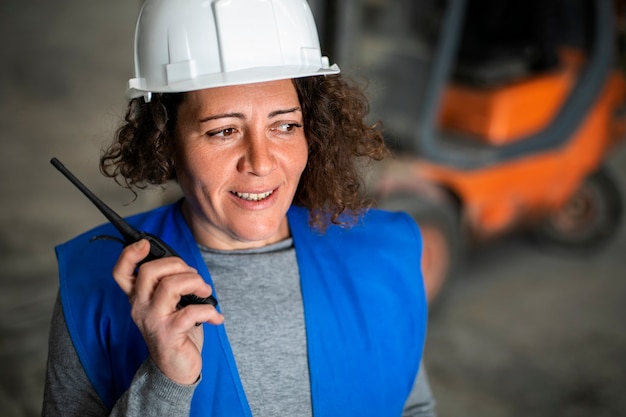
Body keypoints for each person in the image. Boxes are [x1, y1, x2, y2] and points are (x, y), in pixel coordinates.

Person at [42, 0, 436, 416]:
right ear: (164, 140)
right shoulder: (91, 281)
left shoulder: (386, 253)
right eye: (224, 130)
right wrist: (165, 384)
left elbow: (412, 406)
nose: (261, 162)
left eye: (284, 125)